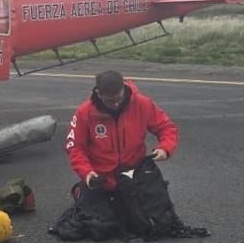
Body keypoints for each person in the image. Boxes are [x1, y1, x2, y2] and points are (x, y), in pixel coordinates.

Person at [64, 70, 179, 227]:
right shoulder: (85, 112)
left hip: (134, 175)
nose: (117, 104)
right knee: (99, 227)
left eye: (119, 99)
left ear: (123, 89)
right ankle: (82, 191)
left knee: (157, 222)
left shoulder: (142, 104)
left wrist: (165, 148)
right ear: (99, 93)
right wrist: (87, 174)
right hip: (102, 179)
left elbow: (166, 127)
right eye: (111, 101)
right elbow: (75, 147)